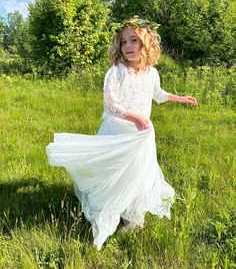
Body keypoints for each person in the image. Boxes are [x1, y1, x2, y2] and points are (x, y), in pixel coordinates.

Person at [46, 18, 197, 250]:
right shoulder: (116, 71)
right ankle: (108, 208)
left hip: (142, 135)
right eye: (124, 41)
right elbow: (111, 105)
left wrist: (180, 98)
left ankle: (134, 217)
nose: (128, 46)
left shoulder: (152, 73)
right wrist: (136, 118)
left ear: (146, 43)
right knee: (114, 174)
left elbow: (158, 94)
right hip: (118, 132)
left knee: (138, 174)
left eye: (133, 40)